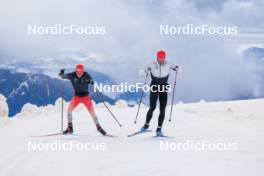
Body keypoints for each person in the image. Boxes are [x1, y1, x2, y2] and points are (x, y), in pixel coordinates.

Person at [59, 64, 107, 135]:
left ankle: (99, 128)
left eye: (80, 71)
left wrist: (89, 81)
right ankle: (70, 128)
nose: (79, 72)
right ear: (76, 70)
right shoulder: (72, 75)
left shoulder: (86, 75)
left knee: (92, 113)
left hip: (86, 98)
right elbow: (62, 76)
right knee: (69, 111)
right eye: (77, 70)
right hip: (76, 97)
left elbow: (92, 81)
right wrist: (61, 73)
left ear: (83, 70)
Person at [141, 50, 179, 136]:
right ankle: (146, 125)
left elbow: (179, 68)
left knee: (162, 109)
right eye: (160, 58)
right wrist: (145, 71)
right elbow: (141, 70)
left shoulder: (169, 63)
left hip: (164, 87)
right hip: (154, 86)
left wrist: (177, 69)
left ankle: (159, 129)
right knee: (152, 107)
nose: (161, 60)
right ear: (157, 57)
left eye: (163, 58)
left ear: (165, 57)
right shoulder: (152, 63)